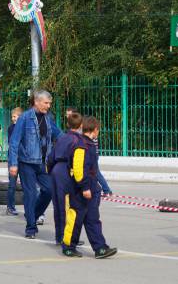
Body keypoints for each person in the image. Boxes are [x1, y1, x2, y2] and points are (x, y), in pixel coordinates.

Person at [8, 90, 63, 239]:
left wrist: (74, 141)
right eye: (46, 103)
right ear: (37, 102)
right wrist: (13, 164)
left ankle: (32, 215)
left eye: (50, 103)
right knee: (30, 194)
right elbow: (14, 142)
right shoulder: (25, 118)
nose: (48, 106)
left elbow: (59, 135)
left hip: (43, 163)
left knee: (49, 190)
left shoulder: (48, 118)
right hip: (26, 162)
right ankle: (31, 228)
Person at [61, 116, 117, 259]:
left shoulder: (89, 144)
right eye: (99, 130)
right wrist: (85, 187)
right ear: (95, 129)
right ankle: (68, 247)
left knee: (93, 219)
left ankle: (100, 248)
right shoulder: (81, 145)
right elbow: (79, 168)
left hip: (92, 187)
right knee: (75, 219)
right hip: (79, 190)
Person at [48, 111, 84, 245]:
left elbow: (50, 157)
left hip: (56, 169)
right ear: (81, 125)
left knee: (58, 205)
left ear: (68, 124)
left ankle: (59, 236)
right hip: (67, 170)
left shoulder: (62, 138)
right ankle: (67, 238)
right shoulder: (78, 140)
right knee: (68, 206)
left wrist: (50, 171)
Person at [66, 106, 112, 196]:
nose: (68, 117)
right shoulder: (82, 130)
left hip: (90, 153)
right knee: (93, 172)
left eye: (69, 114)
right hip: (90, 153)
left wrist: (85, 188)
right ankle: (103, 189)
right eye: (67, 115)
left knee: (94, 172)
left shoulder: (83, 130)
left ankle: (106, 190)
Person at [6, 107, 23, 215]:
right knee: (12, 184)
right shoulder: (11, 128)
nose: (13, 119)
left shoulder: (24, 127)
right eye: (12, 117)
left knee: (26, 185)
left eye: (15, 116)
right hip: (13, 159)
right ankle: (10, 207)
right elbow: (12, 143)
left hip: (23, 159)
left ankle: (29, 208)